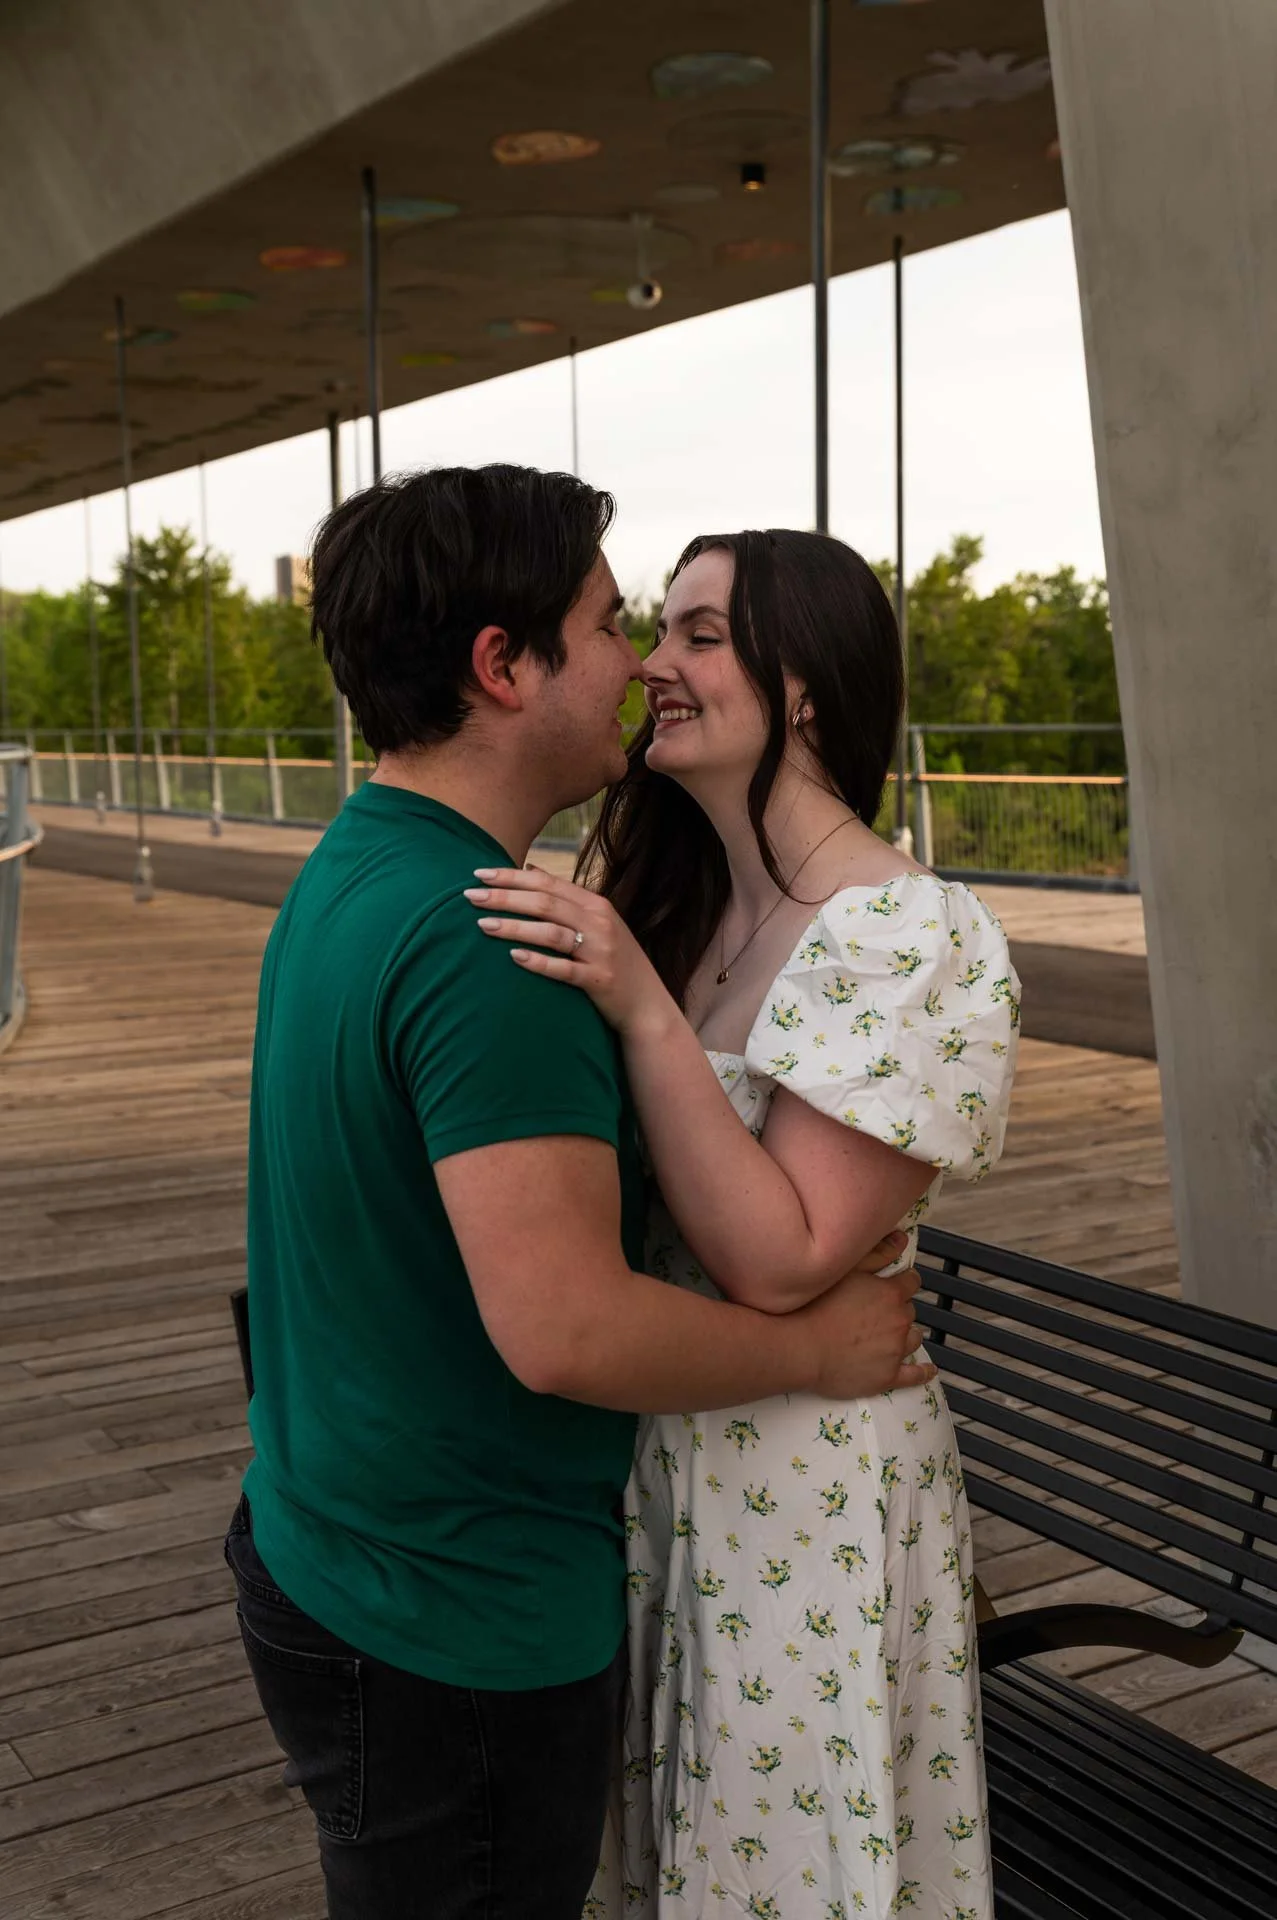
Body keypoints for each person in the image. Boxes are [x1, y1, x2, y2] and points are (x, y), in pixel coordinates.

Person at [223, 470, 936, 1920]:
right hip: (449, 1609)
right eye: (613, 625)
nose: (638, 667)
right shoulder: (492, 943)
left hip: (345, 1545)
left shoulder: (365, 865)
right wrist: (814, 1351)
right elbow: (566, 1330)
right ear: (504, 665)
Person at [471, 528, 1021, 1919]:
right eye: (656, 629)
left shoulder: (908, 932)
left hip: (808, 1483)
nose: (653, 663)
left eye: (700, 634)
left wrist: (638, 1001)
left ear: (812, 687)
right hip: (676, 1455)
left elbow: (781, 1253)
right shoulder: (692, 902)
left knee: (791, 1868)